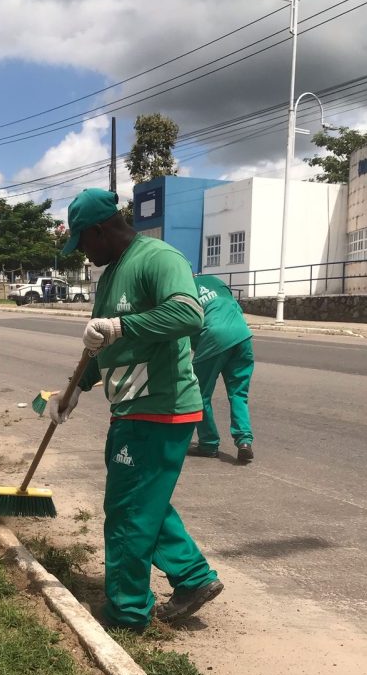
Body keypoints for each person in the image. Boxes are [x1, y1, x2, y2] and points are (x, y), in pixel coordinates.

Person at [48, 188, 223, 633]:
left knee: (126, 510)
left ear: (100, 230)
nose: (84, 254)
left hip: (159, 409)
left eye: (83, 243)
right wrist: (73, 390)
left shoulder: (158, 258)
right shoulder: (110, 276)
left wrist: (120, 325)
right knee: (145, 500)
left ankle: (128, 612)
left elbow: (187, 316)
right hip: (131, 409)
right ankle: (192, 577)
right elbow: (105, 347)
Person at [187, 274, 254, 462]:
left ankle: (208, 444)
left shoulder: (182, 288)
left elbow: (186, 328)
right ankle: (244, 441)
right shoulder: (215, 281)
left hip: (213, 336)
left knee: (199, 394)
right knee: (238, 393)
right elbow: (233, 307)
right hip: (242, 334)